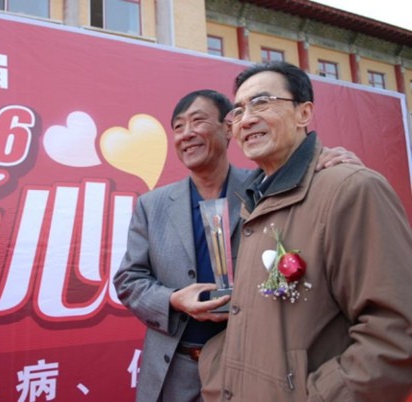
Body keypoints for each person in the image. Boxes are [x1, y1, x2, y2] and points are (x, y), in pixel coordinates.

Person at [113, 89, 363, 402]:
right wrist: (174, 299)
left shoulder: (270, 188)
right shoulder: (152, 205)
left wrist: (336, 164)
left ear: (228, 128)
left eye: (198, 121)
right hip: (173, 370)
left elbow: (318, 186)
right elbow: (129, 280)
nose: (186, 133)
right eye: (178, 127)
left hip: (250, 367)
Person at [199, 61, 412, 402]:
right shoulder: (252, 200)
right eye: (238, 111)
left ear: (304, 113)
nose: (246, 119)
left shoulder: (351, 189)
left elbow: (396, 332)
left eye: (261, 102)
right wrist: (216, 370)